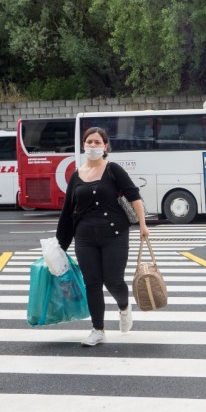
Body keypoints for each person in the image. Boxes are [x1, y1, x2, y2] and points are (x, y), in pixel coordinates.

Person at [57, 127, 150, 346]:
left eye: (98, 142)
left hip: (115, 235)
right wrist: (60, 244)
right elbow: (68, 211)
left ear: (105, 146)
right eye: (89, 142)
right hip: (84, 238)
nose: (93, 146)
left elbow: (134, 197)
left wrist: (143, 225)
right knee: (92, 283)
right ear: (83, 145)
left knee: (113, 281)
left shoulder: (113, 170)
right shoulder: (76, 175)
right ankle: (98, 329)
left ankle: (124, 306)